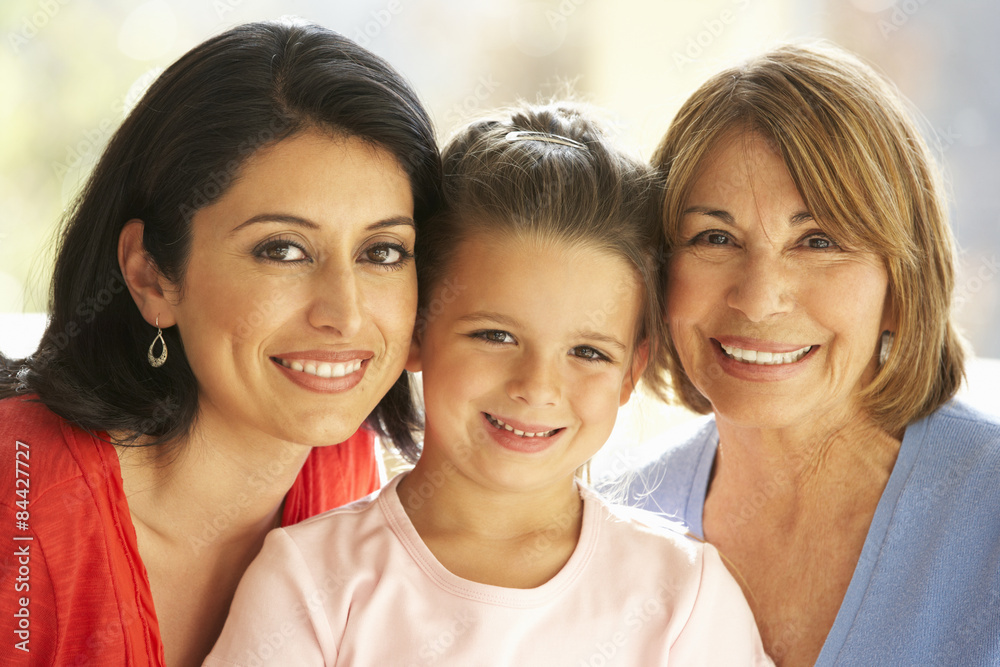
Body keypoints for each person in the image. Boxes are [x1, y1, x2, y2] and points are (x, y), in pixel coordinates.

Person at [204, 102, 772, 667]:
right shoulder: (312, 579)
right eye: (496, 336)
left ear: (631, 372)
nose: (537, 386)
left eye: (587, 352)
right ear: (417, 331)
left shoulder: (685, 595)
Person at [0, 20, 440, 667]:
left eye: (383, 251)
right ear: (152, 275)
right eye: (282, 249)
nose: (344, 313)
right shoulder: (18, 496)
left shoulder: (342, 467)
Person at [623, 42, 1000, 666]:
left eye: (818, 240)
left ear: (901, 286)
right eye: (715, 237)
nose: (759, 298)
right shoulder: (610, 515)